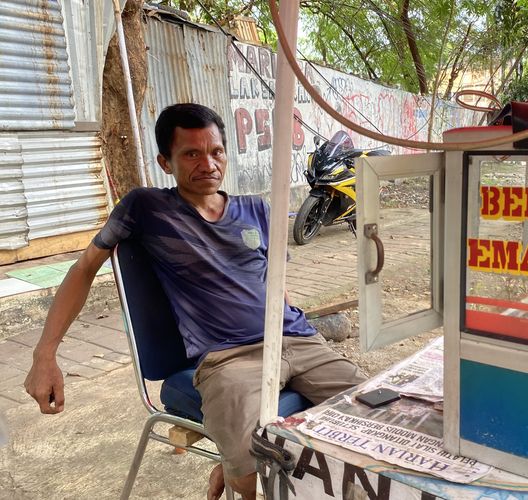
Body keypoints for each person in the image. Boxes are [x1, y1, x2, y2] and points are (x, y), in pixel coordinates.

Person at [24, 103, 366, 499]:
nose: (208, 164)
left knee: (381, 418)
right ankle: (233, 464)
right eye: (191, 154)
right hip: (229, 359)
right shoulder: (148, 208)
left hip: (300, 342)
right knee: (256, 474)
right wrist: (44, 355)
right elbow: (84, 268)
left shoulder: (256, 210)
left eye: (216, 151)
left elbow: (276, 286)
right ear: (165, 162)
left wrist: (293, 324)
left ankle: (232, 462)